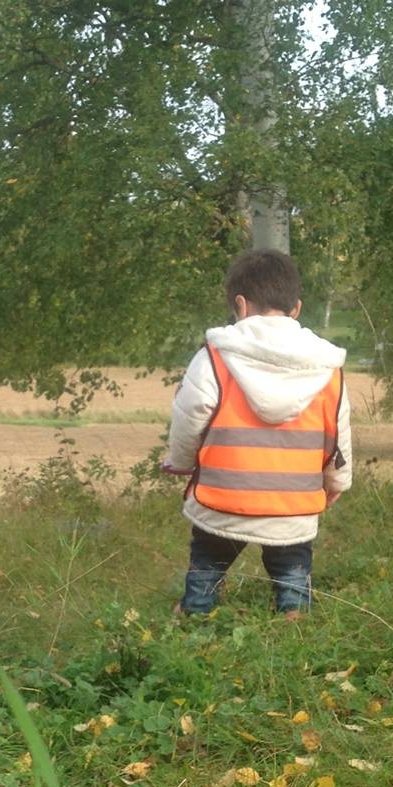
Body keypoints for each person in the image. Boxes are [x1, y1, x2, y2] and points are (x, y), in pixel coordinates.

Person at [163, 248, 352, 619]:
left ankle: (196, 610)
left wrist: (181, 462)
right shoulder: (327, 366)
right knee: (292, 564)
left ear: (240, 304)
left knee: (208, 559)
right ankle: (294, 612)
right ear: (295, 308)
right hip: (292, 503)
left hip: (223, 497)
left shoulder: (214, 357)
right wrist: (337, 481)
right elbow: (338, 431)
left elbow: (188, 419)